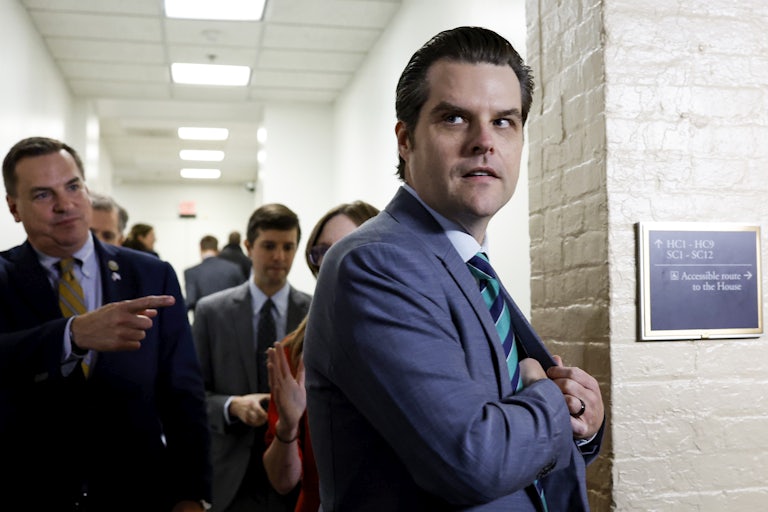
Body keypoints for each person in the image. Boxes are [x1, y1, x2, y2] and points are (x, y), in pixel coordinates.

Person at [303, 26, 605, 511]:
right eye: (455, 118)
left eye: (504, 121)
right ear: (406, 140)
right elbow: (474, 460)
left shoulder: (467, 263)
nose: (484, 141)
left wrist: (579, 421)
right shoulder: (375, 263)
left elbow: (514, 444)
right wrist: (550, 398)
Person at [0, 136, 212, 511]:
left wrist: (191, 493)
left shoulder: (151, 275)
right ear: (14, 207)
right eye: (43, 195)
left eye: (73, 187)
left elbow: (182, 391)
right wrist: (71, 335)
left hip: (136, 492)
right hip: (29, 490)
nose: (65, 204)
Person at [192, 203, 312, 512]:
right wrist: (232, 405)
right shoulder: (211, 312)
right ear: (248, 247)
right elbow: (192, 395)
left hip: (297, 470)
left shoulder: (314, 313)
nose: (279, 257)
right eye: (269, 246)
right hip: (232, 472)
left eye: (288, 247)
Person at [263, 200, 379, 512]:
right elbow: (283, 481)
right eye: (323, 251)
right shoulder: (294, 351)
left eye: (346, 246)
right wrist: (287, 427)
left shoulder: (416, 340)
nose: (332, 261)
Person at [184, 235, 244, 312]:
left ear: (200, 249)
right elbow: (243, 296)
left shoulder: (191, 272)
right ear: (217, 249)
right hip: (231, 317)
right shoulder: (234, 268)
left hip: (204, 317)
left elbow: (190, 301)